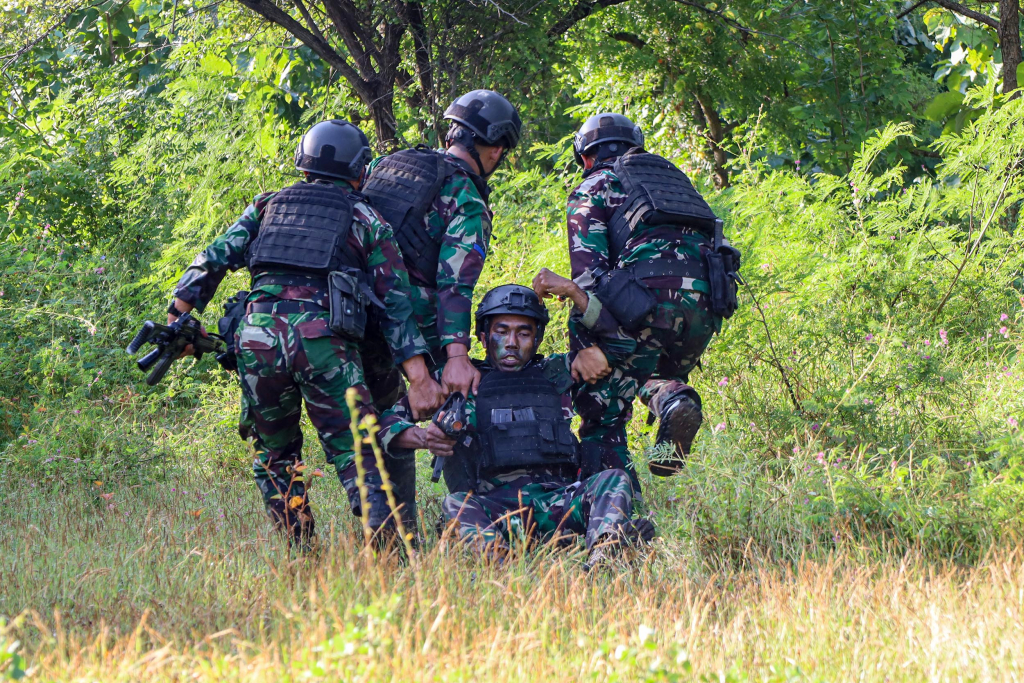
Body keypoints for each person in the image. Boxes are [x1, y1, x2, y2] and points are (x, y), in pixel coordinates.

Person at [167, 119, 444, 546]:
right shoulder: (364, 216)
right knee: (362, 457)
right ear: (360, 170)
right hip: (323, 343)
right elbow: (395, 303)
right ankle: (391, 561)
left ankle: (303, 556)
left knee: (276, 458)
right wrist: (420, 378)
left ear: (304, 162)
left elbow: (213, 259)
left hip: (256, 339)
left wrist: (178, 317)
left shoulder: (267, 205)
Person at [533, 112, 738, 495]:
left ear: (585, 158)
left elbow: (588, 277)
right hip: (708, 305)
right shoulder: (672, 182)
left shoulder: (594, 184)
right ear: (635, 148)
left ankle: (615, 521)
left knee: (601, 406)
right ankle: (672, 404)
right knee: (641, 370)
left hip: (647, 302)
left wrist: (586, 347)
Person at [377, 285, 653, 566]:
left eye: (523, 333)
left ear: (537, 339)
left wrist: (573, 293)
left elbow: (626, 349)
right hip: (496, 510)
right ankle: (501, 569)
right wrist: (424, 437)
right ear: (483, 337)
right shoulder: (457, 382)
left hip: (560, 502)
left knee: (614, 479)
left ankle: (605, 553)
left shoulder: (557, 372)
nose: (511, 342)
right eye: (501, 331)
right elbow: (382, 427)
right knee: (456, 505)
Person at [358, 89, 520, 501]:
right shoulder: (466, 197)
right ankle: (473, 510)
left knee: (374, 423)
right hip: (410, 322)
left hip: (349, 311)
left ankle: (391, 536)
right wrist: (456, 357)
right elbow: (455, 286)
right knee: (452, 403)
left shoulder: (386, 164)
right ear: (495, 149)